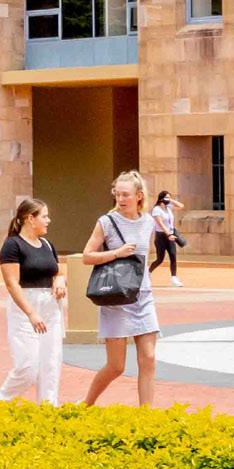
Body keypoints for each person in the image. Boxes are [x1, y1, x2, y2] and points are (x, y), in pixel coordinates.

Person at [82, 170, 161, 409]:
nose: (121, 199)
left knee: (148, 359)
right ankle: (86, 404)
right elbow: (87, 256)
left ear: (139, 196)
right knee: (116, 366)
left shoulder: (148, 222)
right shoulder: (106, 222)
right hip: (116, 298)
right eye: (117, 194)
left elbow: (145, 258)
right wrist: (117, 253)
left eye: (126, 194)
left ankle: (146, 414)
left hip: (143, 296)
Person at [0, 195, 67, 407]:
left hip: (51, 306)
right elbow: (11, 283)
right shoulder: (13, 245)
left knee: (50, 364)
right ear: (30, 219)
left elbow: (57, 270)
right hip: (25, 307)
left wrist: (60, 280)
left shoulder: (47, 244)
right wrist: (31, 313)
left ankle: (48, 410)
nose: (48, 220)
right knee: (27, 367)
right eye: (44, 216)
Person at [152, 189, 184, 282]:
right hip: (161, 236)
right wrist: (169, 234)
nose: (168, 199)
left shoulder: (168, 207)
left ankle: (174, 277)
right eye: (166, 197)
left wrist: (171, 200)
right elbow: (161, 224)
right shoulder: (156, 209)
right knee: (160, 259)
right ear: (161, 198)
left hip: (171, 234)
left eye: (169, 197)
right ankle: (148, 272)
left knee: (173, 256)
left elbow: (181, 206)